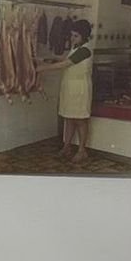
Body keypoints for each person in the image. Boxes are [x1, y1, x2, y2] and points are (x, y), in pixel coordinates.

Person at [38, 18, 94, 161]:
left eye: (76, 35)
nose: (72, 38)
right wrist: (46, 57)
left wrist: (41, 69)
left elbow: (65, 64)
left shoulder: (85, 50)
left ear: (84, 36)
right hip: (69, 87)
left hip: (80, 88)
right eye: (72, 35)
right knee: (68, 118)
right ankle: (66, 147)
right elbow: (64, 58)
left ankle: (82, 151)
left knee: (80, 120)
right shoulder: (75, 48)